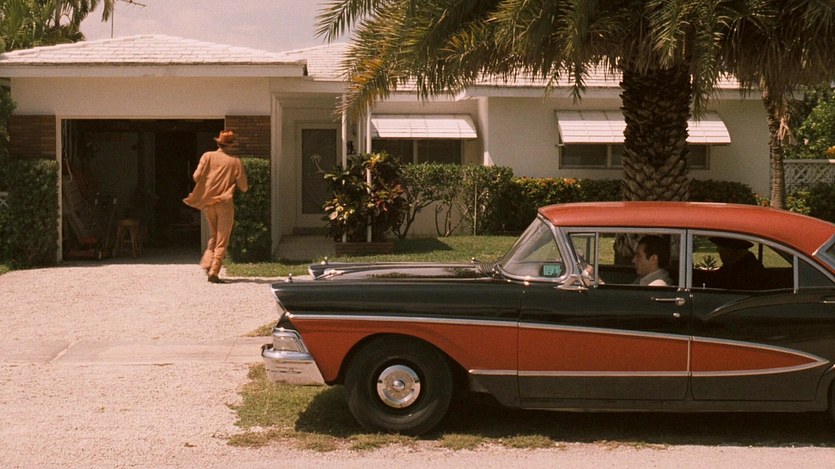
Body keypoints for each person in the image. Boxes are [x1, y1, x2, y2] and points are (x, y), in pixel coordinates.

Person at [183, 130, 249, 283]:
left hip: (208, 202)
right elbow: (244, 186)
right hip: (224, 203)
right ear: (231, 145)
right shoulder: (235, 162)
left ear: (218, 143)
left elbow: (196, 176)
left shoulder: (207, 156)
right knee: (222, 239)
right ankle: (214, 271)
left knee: (214, 235)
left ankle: (207, 262)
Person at [695, 237, 767, 290]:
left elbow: (720, 282)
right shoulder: (739, 265)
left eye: (722, 247)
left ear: (732, 249)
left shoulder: (746, 271)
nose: (718, 250)